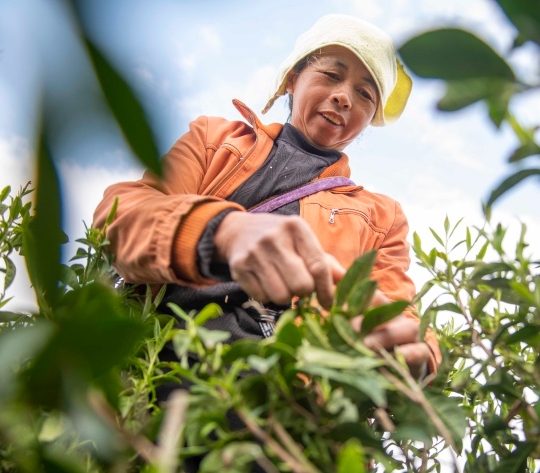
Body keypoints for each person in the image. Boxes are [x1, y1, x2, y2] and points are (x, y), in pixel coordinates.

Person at [93, 14, 440, 382]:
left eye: (365, 93)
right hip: (151, 373)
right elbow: (119, 217)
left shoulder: (381, 218)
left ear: (371, 116)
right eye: (331, 75)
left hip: (275, 404)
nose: (343, 97)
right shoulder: (214, 140)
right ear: (292, 78)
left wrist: (419, 355)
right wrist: (221, 233)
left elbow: (398, 310)